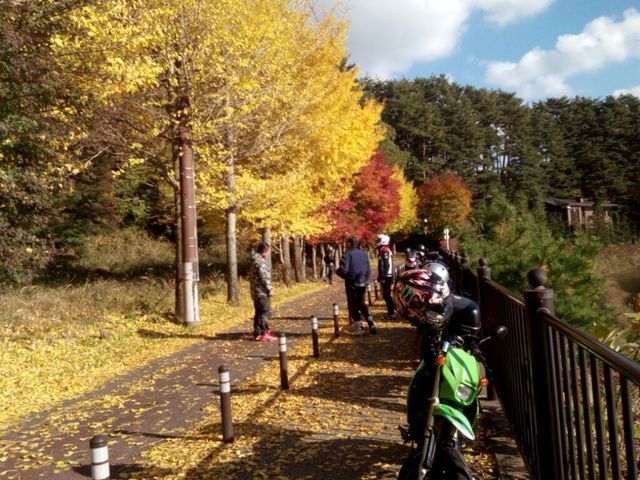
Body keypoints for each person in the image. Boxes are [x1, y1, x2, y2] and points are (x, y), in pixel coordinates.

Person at [336, 236, 377, 336]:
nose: (346, 245)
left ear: (350, 244)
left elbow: (344, 270)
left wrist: (339, 272)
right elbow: (368, 270)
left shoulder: (347, 254)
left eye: (347, 243)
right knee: (361, 304)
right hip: (362, 282)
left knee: (352, 306)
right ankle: (371, 323)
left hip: (352, 283)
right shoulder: (364, 254)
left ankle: (360, 328)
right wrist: (365, 279)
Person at [249, 243, 277, 341]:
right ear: (265, 251)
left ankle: (258, 333)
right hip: (261, 290)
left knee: (258, 311)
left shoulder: (254, 260)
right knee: (265, 310)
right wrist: (269, 288)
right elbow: (264, 277)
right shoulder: (261, 261)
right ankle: (265, 332)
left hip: (254, 290)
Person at [376, 233, 396, 319]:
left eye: (378, 240)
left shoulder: (385, 250)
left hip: (387, 276)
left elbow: (387, 265)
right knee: (386, 295)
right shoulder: (383, 250)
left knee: (386, 295)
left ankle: (392, 313)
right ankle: (391, 312)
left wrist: (383, 277)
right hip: (386, 275)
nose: (377, 242)